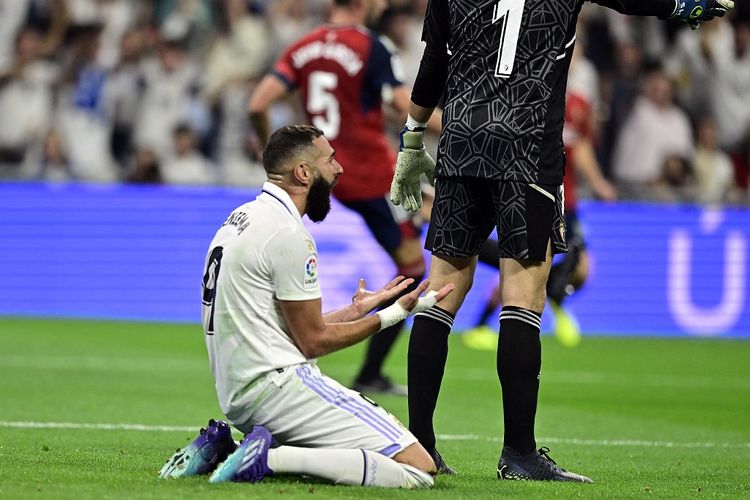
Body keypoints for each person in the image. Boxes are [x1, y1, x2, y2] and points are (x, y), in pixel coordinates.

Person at [389, 0, 734, 481]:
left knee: (440, 290)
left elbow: (433, 63)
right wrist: (686, 5)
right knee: (524, 295)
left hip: (463, 140)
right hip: (528, 148)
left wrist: (410, 137)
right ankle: (520, 453)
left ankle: (419, 446)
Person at [159, 125, 453, 488]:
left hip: (239, 393)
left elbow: (281, 327)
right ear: (303, 173)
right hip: (278, 388)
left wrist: (355, 311)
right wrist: (394, 314)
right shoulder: (287, 234)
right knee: (418, 468)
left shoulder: (241, 219)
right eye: (329, 160)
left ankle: (225, 448)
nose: (339, 169)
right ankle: (268, 458)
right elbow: (312, 342)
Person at [248, 0, 441, 396]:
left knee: (434, 210)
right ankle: (370, 371)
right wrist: (457, 125)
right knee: (412, 267)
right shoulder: (372, 46)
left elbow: (257, 104)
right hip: (372, 175)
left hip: (324, 172)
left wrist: (271, 153)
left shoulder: (302, 47)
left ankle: (538, 270)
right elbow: (403, 103)